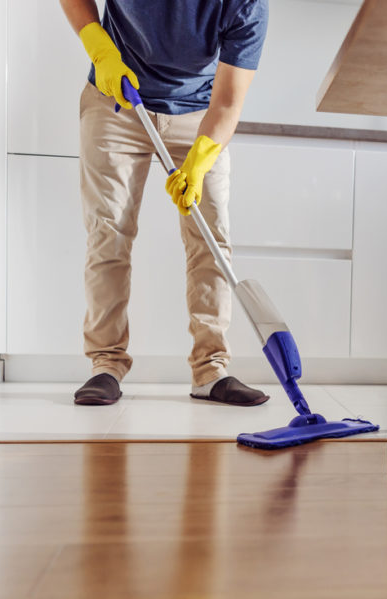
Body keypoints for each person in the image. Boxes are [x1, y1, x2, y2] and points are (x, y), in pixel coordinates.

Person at [60, 0, 270, 407]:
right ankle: (106, 364)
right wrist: (98, 47)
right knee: (109, 234)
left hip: (199, 112)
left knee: (212, 238)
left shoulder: (247, 4)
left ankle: (211, 370)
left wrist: (200, 158)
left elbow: (228, 102)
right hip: (116, 100)